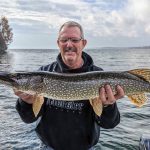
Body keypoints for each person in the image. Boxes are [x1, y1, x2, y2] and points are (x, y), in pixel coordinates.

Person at [15, 21, 125, 150]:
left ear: (83, 43)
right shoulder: (44, 73)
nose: (69, 44)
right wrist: (26, 102)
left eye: (74, 40)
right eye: (64, 40)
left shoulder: (99, 76)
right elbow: (28, 119)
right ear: (58, 43)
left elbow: (109, 124)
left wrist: (107, 105)